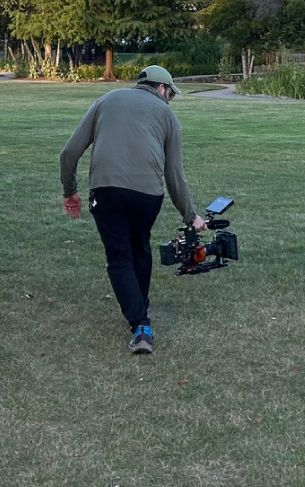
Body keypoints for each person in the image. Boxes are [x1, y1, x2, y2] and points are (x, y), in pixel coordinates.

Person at [60, 64, 205, 355]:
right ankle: (141, 321)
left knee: (119, 255)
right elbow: (174, 174)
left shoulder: (106, 100)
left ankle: (140, 321)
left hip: (105, 191)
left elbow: (69, 153)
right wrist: (191, 216)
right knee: (139, 247)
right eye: (170, 94)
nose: (169, 100)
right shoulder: (168, 116)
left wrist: (70, 192)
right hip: (148, 195)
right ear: (161, 88)